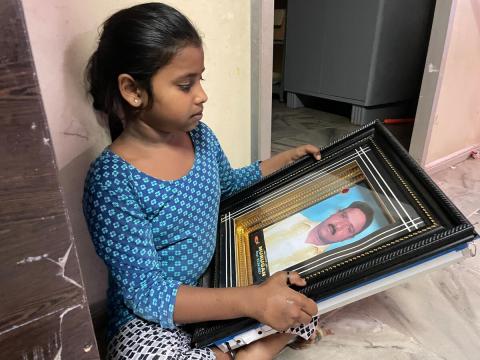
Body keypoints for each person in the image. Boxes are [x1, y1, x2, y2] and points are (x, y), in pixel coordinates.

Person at [82, 3, 322, 360]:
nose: (201, 95)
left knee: (309, 296)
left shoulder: (200, 137)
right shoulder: (112, 180)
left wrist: (280, 163)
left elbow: (226, 184)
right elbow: (147, 293)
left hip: (216, 282)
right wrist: (251, 301)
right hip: (149, 319)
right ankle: (258, 345)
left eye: (200, 80)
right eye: (185, 84)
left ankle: (250, 340)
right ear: (133, 90)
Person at [264, 202, 374, 274]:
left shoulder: (317, 269)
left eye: (349, 229)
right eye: (343, 216)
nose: (339, 226)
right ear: (336, 212)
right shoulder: (289, 216)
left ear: (349, 238)